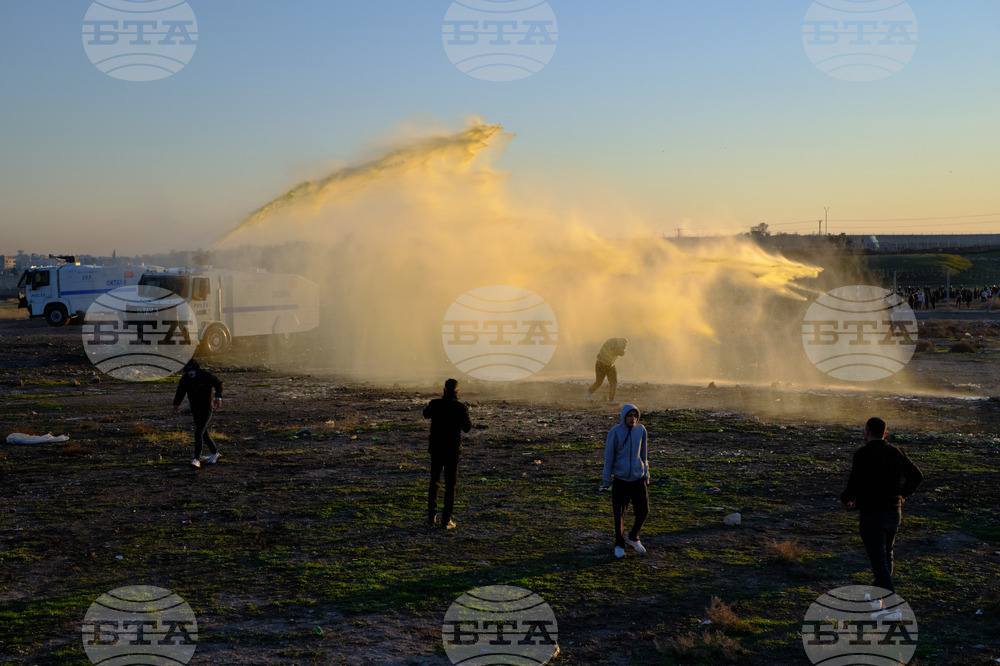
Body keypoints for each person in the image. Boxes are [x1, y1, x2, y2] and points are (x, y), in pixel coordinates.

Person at [840, 417, 923, 593]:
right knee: (886, 555)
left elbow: (854, 482)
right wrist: (902, 494)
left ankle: (890, 604)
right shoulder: (896, 452)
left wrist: (846, 499)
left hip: (871, 513)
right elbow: (917, 476)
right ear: (885, 433)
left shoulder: (863, 454)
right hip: (893, 512)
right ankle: (878, 597)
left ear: (866, 432)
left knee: (878, 560)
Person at [599, 404, 649, 558]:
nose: (632, 418)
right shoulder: (615, 432)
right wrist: (606, 480)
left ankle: (633, 538)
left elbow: (644, 454)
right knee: (619, 514)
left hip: (638, 478)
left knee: (643, 510)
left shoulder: (641, 430)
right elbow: (609, 457)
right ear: (623, 417)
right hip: (620, 480)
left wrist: (646, 473)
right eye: (629, 415)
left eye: (635, 415)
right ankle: (619, 544)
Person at [423, 378, 472, 530]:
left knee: (434, 483)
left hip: (437, 448)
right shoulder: (460, 408)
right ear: (457, 391)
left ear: (444, 390)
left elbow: (425, 414)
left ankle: (432, 516)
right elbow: (467, 428)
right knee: (450, 486)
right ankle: (446, 520)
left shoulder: (435, 404)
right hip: (452, 450)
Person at [172, 359, 223, 469]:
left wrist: (218, 398)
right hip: (195, 409)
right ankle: (215, 453)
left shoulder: (205, 376)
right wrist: (176, 404)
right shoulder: (185, 378)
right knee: (204, 433)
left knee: (198, 432)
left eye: (192, 371)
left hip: (207, 408)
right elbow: (180, 391)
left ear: (197, 370)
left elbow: (218, 383)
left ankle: (196, 459)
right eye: (188, 371)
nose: (191, 373)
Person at [588, 337, 628, 403]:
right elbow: (621, 353)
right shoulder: (616, 345)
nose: (624, 347)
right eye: (623, 346)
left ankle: (611, 400)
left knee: (613, 383)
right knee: (599, 382)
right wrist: (623, 351)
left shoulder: (613, 341)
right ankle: (589, 394)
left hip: (609, 364)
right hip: (601, 363)